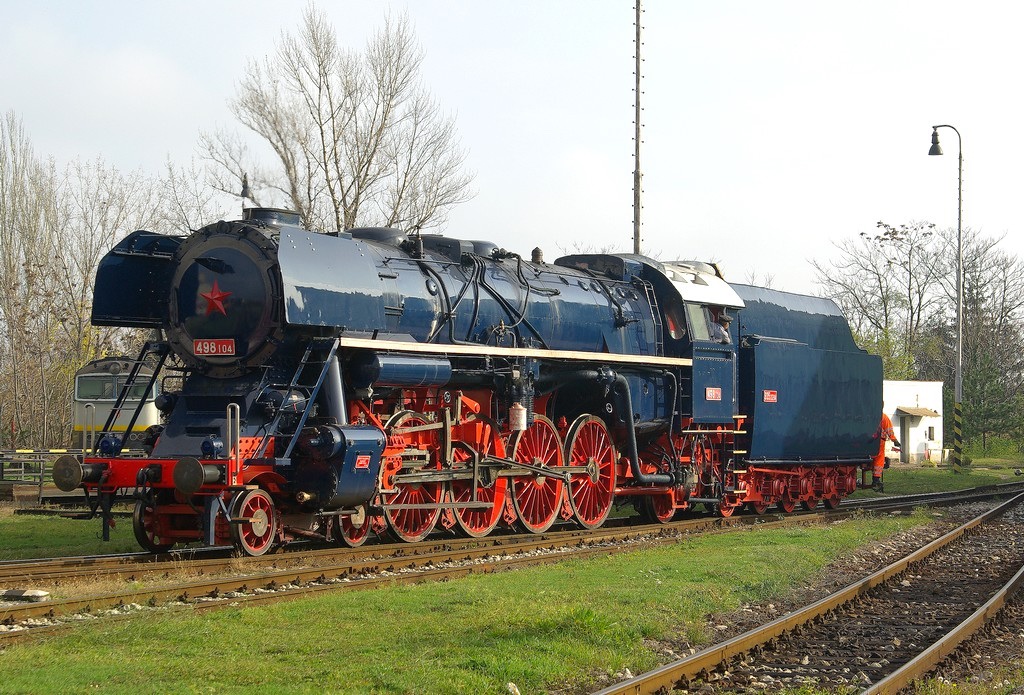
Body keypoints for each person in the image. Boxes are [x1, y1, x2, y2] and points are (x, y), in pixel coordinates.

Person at [871, 412, 901, 491]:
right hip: (879, 442)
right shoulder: (883, 416)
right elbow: (889, 429)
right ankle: (876, 480)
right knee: (879, 460)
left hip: (864, 442)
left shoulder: (866, 415)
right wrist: (894, 440)